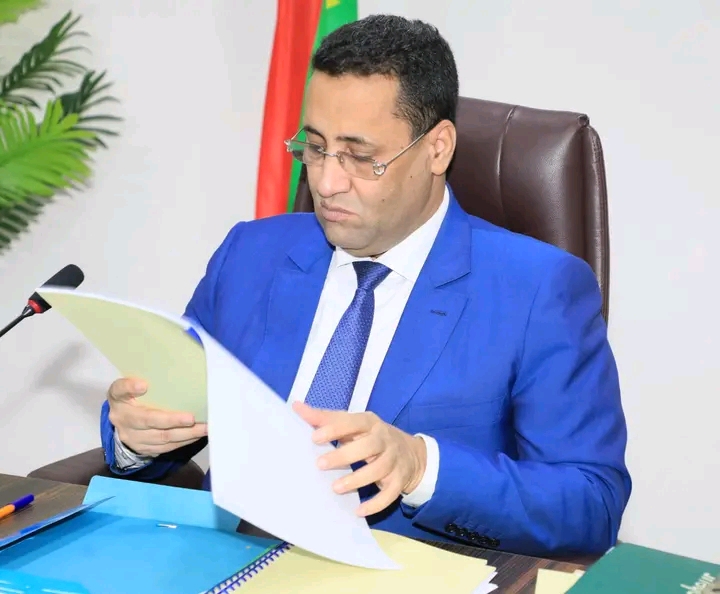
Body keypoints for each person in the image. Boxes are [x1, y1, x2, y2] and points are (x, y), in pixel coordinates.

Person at [100, 14, 631, 557]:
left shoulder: (538, 289)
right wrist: (136, 436)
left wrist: (423, 467)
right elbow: (172, 400)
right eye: (315, 147)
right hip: (225, 563)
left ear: (437, 148)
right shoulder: (250, 254)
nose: (327, 182)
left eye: (359, 156)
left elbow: (591, 506)